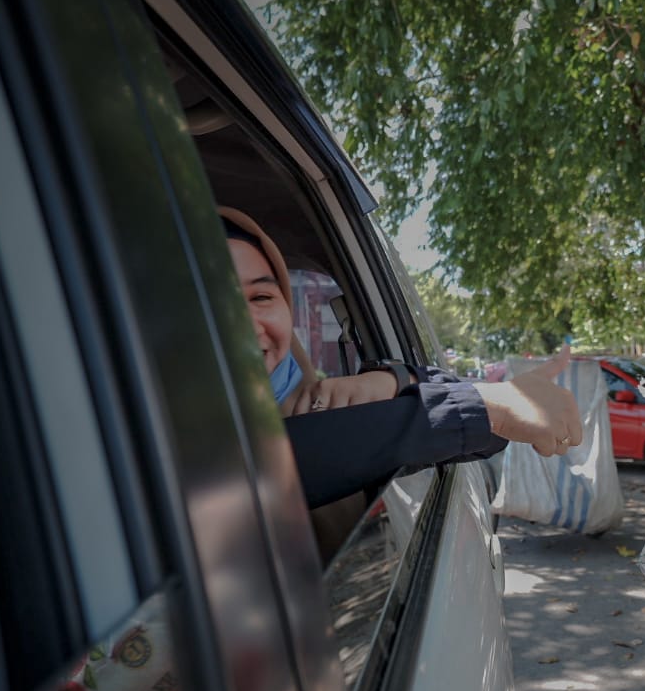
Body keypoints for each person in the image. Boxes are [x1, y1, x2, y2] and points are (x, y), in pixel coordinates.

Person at [219, 207, 582, 507]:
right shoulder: (176, 448)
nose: (244, 325)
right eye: (207, 302)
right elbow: (259, 470)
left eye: (261, 298)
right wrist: (483, 407)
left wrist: (399, 380)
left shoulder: (306, 402)